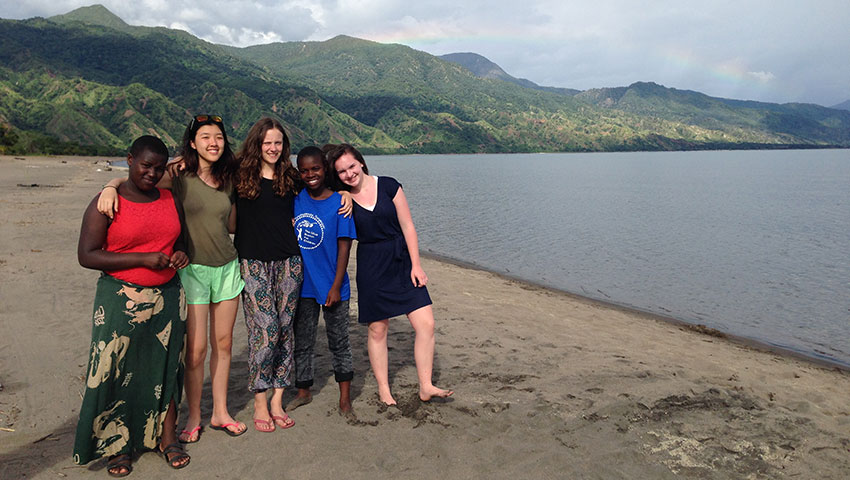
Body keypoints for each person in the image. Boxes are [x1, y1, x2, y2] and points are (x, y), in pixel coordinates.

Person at [99, 115, 246, 442]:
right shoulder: (178, 177)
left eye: (219, 137)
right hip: (192, 269)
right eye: (205, 137)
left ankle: (220, 412)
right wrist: (109, 187)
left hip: (227, 268)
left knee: (224, 344)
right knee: (194, 351)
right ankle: (194, 416)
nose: (213, 142)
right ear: (192, 143)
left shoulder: (229, 178)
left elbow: (233, 224)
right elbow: (137, 182)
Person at [74, 135, 190, 476]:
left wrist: (181, 253)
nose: (152, 174)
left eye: (158, 168)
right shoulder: (107, 201)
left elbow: (180, 240)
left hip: (168, 296)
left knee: (168, 367)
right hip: (119, 299)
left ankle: (167, 437)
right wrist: (141, 258)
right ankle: (117, 446)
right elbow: (87, 255)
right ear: (129, 160)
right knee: (115, 368)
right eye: (145, 165)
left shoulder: (171, 198)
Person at [327, 143, 453, 405]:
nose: (349, 174)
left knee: (426, 323)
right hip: (371, 264)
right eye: (342, 172)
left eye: (351, 166)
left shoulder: (389, 185)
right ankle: (384, 389)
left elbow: (408, 226)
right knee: (377, 329)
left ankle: (426, 385)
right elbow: (336, 231)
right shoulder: (342, 199)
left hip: (402, 260)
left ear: (361, 162)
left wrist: (416, 265)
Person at [231, 117, 302, 432]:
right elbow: (194, 171)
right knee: (266, 330)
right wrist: (113, 184)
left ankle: (277, 399)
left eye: (278, 143)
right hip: (253, 262)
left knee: (286, 329)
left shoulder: (290, 176)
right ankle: (260, 399)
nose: (273, 148)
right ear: (256, 144)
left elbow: (325, 190)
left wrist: (344, 196)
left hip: (289, 261)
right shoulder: (238, 174)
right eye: (267, 143)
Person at [288, 146, 356, 414]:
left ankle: (345, 397)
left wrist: (336, 286)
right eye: (304, 170)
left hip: (333, 285)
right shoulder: (296, 200)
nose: (310, 174)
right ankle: (303, 391)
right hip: (303, 286)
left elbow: (344, 247)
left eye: (315, 168)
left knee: (339, 341)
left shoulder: (339, 203)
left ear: (325, 169)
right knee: (302, 341)